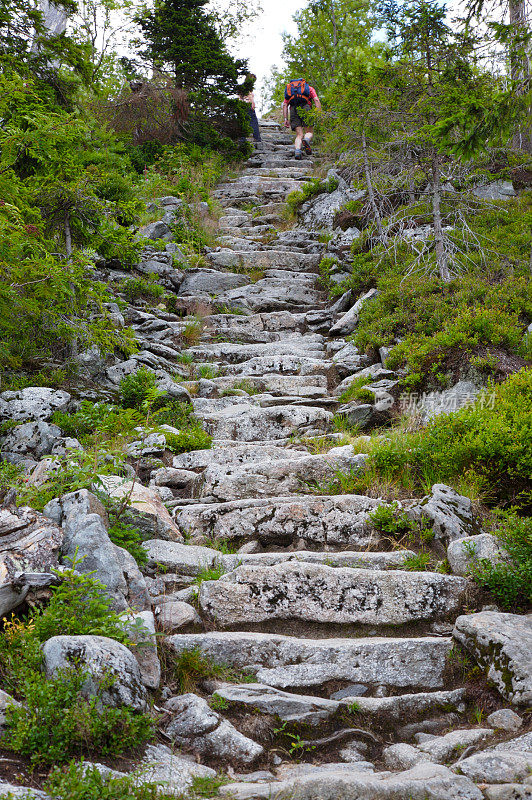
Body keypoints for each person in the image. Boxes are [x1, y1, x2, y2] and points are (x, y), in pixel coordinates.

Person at [283, 79, 322, 159]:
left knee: (299, 134)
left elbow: (284, 105)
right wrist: (318, 114)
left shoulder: (290, 90)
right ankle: (306, 139)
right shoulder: (309, 88)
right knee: (309, 131)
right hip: (306, 107)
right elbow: (316, 100)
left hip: (293, 109)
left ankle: (297, 150)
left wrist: (286, 119)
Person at [238, 73, 263, 148]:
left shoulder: (241, 86)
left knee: (243, 121)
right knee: (253, 121)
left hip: (242, 105)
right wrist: (252, 103)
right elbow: (249, 96)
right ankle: (257, 137)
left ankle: (242, 139)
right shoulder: (248, 87)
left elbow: (239, 96)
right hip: (248, 105)